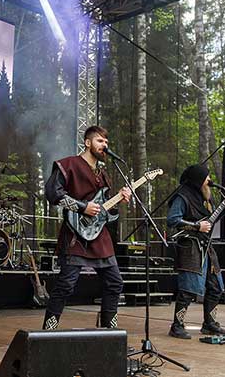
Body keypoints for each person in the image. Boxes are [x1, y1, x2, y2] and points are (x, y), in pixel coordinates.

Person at [42, 125, 131, 330]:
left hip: (100, 236)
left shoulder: (103, 174)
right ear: (88, 142)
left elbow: (104, 209)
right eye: (100, 141)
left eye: (107, 142)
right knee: (65, 285)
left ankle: (110, 332)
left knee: (115, 283)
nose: (105, 145)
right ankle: (47, 332)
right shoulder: (68, 164)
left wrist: (119, 199)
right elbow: (53, 193)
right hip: (75, 234)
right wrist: (82, 207)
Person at [166, 164, 225, 339]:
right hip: (190, 246)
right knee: (188, 288)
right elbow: (172, 220)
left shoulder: (205, 197)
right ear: (198, 179)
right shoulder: (182, 196)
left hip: (207, 246)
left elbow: (209, 222)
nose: (209, 180)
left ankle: (210, 324)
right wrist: (196, 226)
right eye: (206, 176)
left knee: (216, 286)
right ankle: (177, 325)